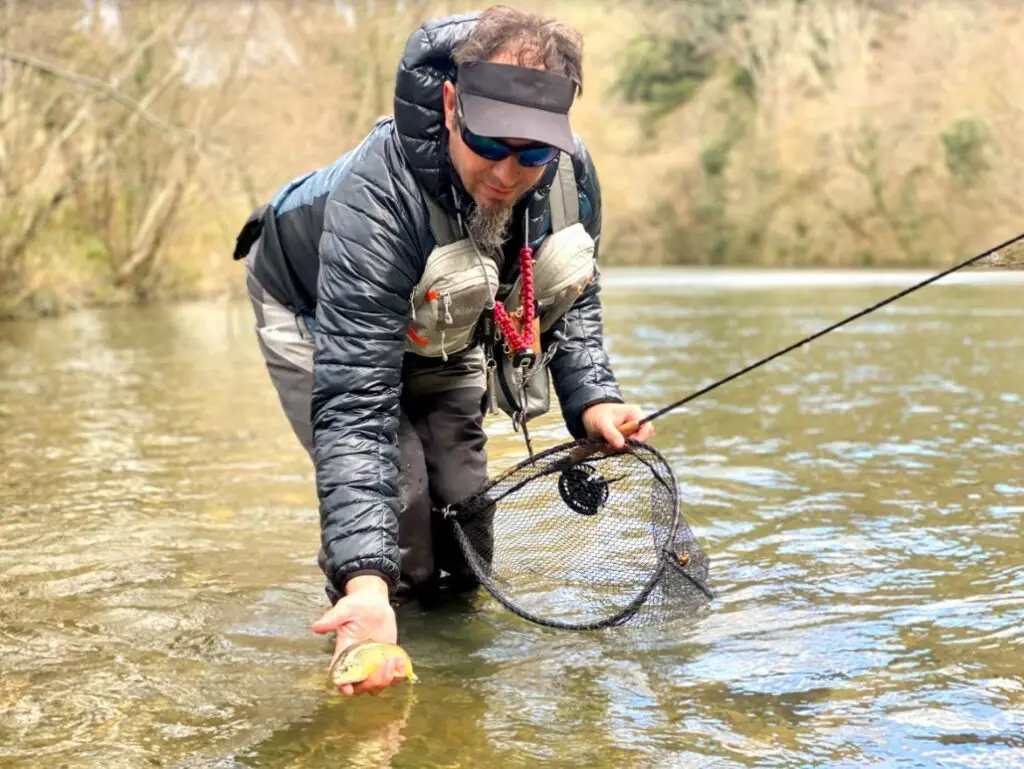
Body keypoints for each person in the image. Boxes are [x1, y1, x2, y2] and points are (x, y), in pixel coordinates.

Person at [234, 5, 654, 697]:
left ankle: (457, 689)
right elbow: (356, 406)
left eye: (533, 153)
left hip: (440, 312)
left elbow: (570, 297)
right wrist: (367, 583)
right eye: (491, 144)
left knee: (461, 508)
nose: (508, 172)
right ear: (453, 106)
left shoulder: (571, 178)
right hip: (310, 311)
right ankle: (368, 637)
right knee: (399, 499)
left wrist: (595, 399)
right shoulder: (378, 196)